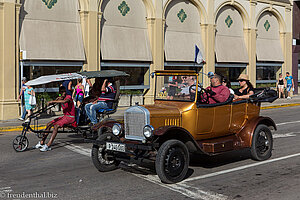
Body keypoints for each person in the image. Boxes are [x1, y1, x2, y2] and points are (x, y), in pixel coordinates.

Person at [34, 86, 75, 152]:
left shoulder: (68, 97)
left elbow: (65, 101)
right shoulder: (60, 98)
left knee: (56, 126)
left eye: (64, 91)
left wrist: (55, 100)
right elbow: (54, 102)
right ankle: (42, 142)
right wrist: (52, 102)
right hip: (64, 117)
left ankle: (48, 145)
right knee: (49, 124)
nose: (63, 93)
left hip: (70, 117)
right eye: (61, 92)